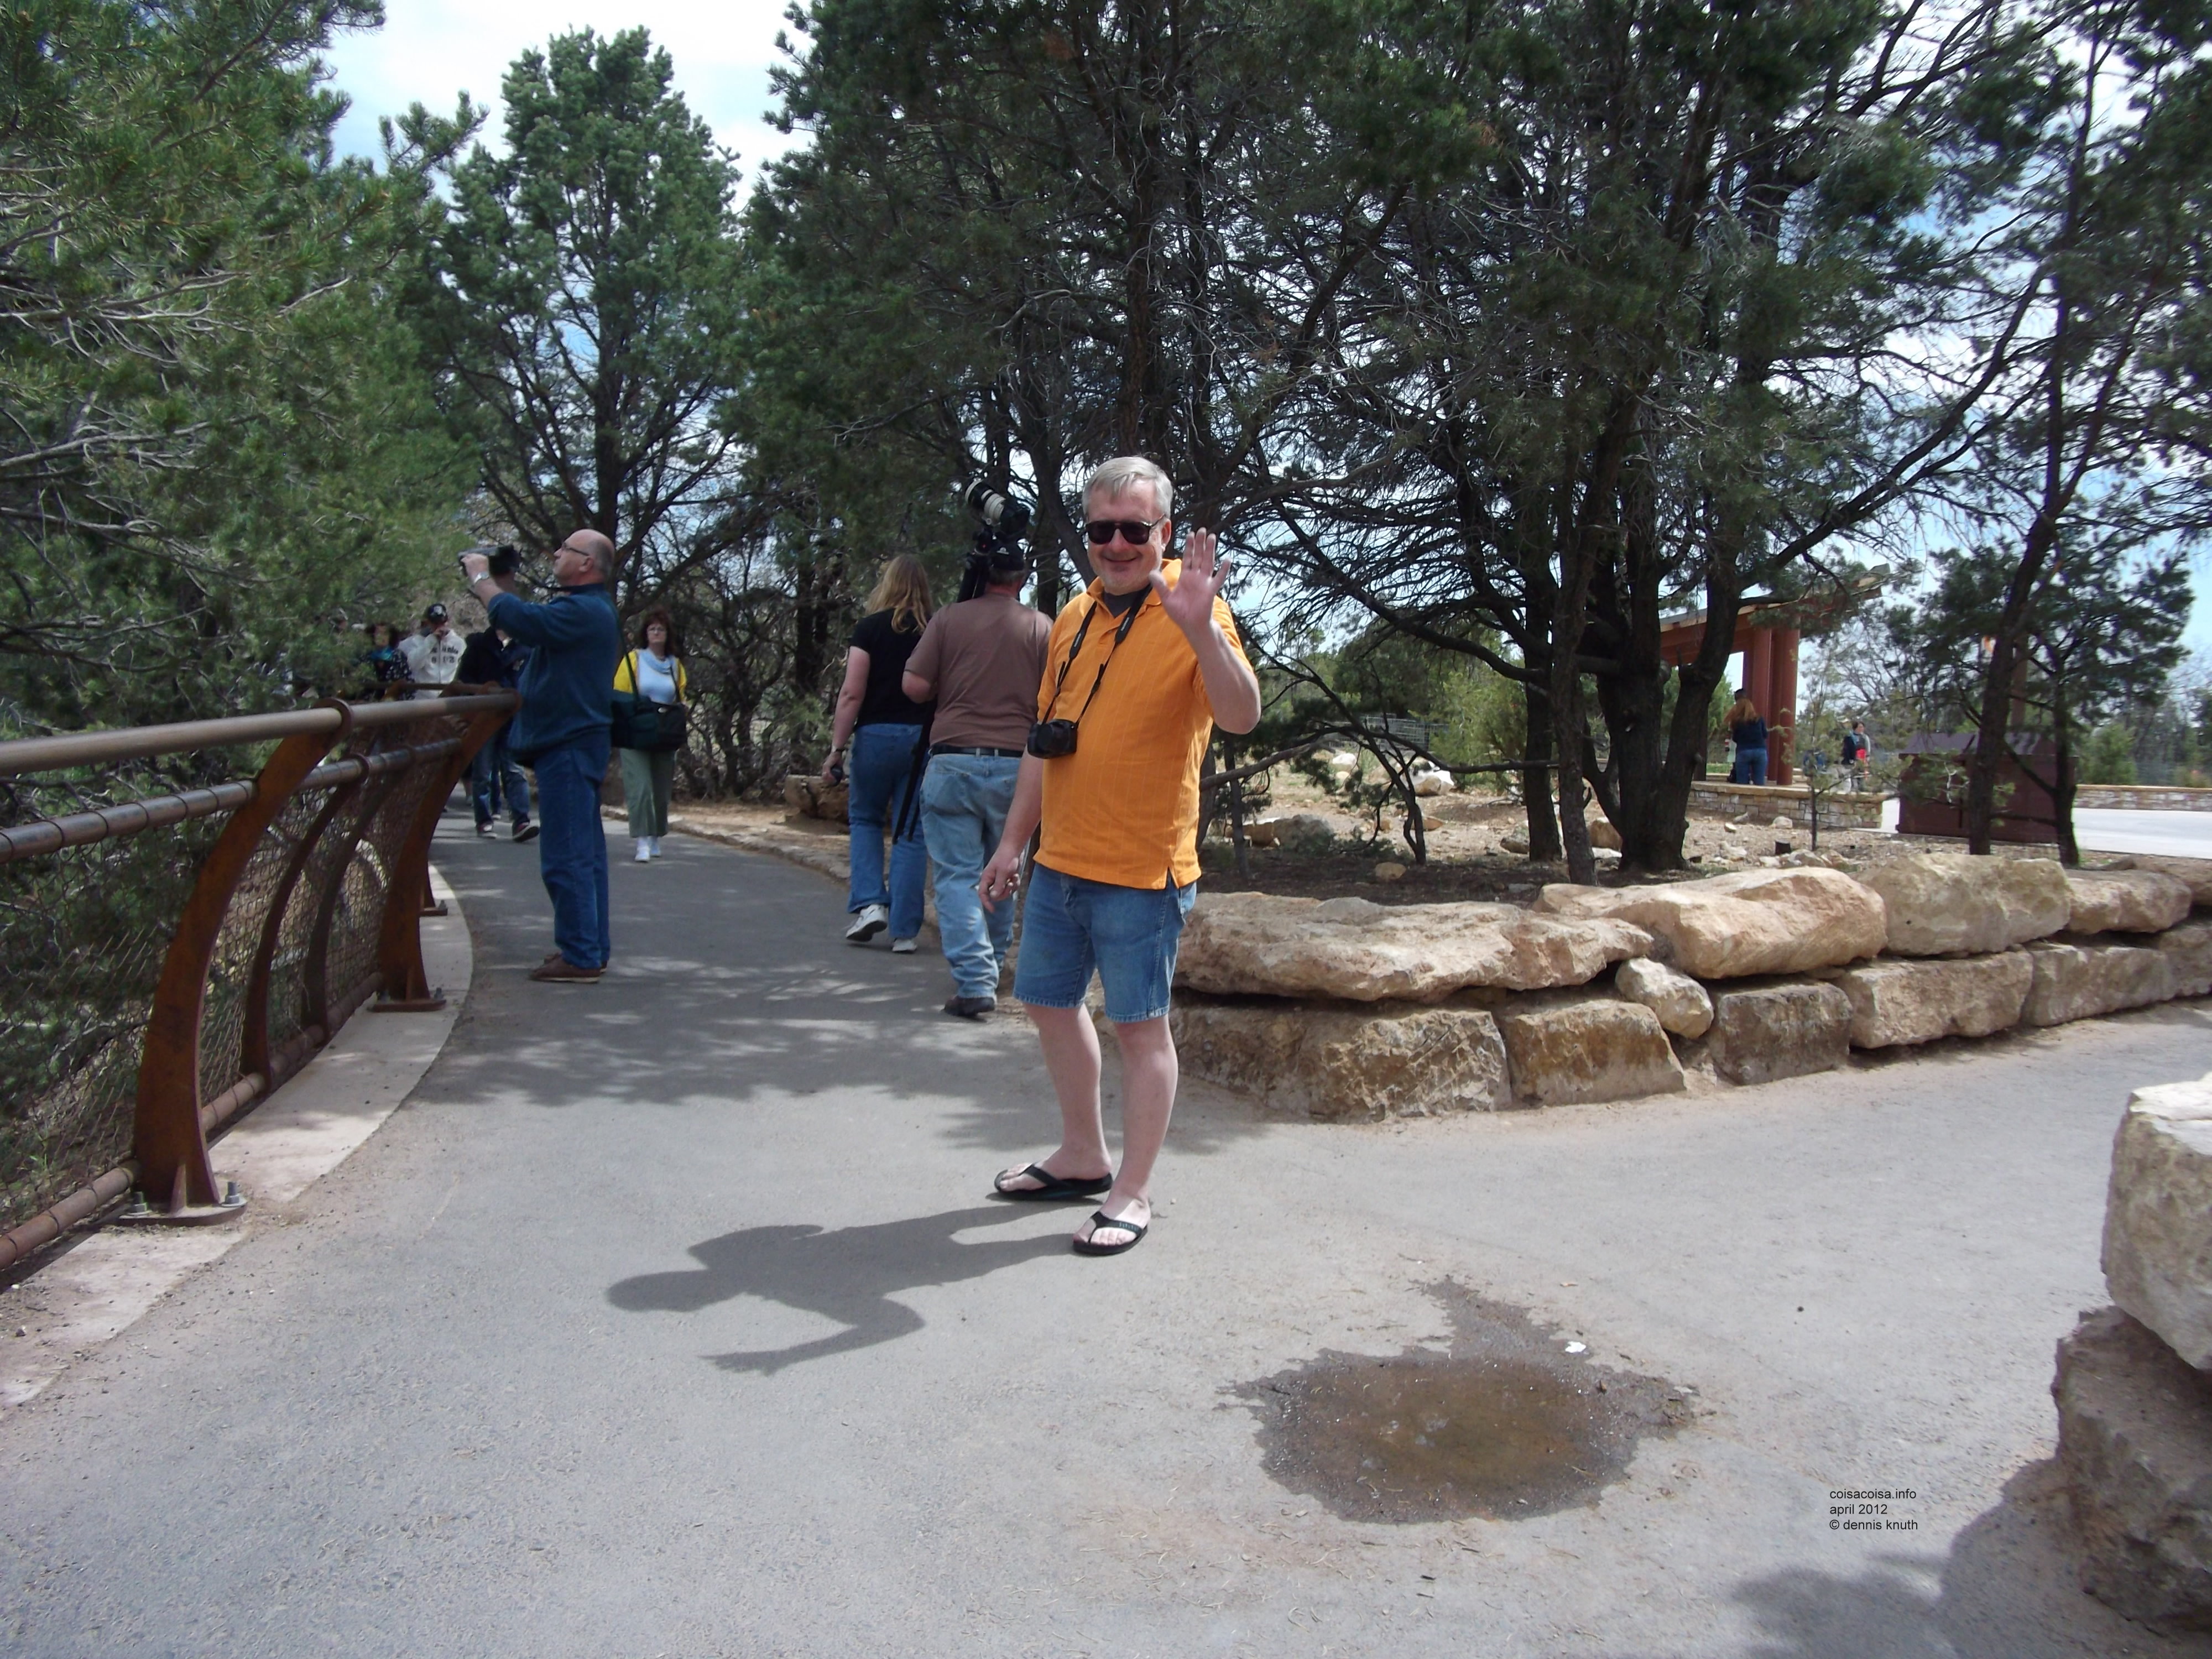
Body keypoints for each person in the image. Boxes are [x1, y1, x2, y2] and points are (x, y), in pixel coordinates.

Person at [977, 456, 1260, 1256]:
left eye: (1135, 530)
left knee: (1140, 1030)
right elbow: (1044, 739)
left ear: (1163, 533)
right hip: (1062, 860)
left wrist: (1202, 628)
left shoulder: (1194, 609)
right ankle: (1082, 1156)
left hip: (1142, 871)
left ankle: (1131, 1193)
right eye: (1102, 530)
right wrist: (1012, 842)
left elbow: (1241, 716)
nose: (1118, 544)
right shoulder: (1072, 615)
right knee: (1046, 1003)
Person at [461, 530, 622, 983]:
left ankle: (581, 955)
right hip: (574, 742)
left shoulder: (586, 610)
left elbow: (522, 621)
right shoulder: (584, 609)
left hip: (568, 744)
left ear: (587, 563)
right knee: (583, 853)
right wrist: (502, 587)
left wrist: (480, 578)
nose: (555, 554)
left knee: (566, 855)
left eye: (566, 549)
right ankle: (589, 947)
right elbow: (526, 619)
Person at [901, 541, 1053, 1019]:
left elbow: (915, 685)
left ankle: (974, 980)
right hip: (1018, 767)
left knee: (957, 875)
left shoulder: (948, 619)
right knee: (1003, 869)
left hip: (953, 761)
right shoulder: (1040, 627)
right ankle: (991, 966)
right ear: (1021, 578)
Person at [823, 555, 933, 951]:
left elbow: (852, 691)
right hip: (923, 740)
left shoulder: (869, 629)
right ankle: (905, 931)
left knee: (866, 819)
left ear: (886, 584)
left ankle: (871, 905)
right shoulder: (936, 631)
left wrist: (836, 749)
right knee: (910, 831)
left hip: (875, 736)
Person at [613, 608, 688, 864]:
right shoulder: (634, 659)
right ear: (645, 634)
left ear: (668, 634)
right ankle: (642, 840)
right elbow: (619, 693)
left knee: (660, 790)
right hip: (636, 731)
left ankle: (656, 834)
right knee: (640, 787)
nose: (657, 633)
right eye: (652, 629)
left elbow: (680, 696)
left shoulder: (675, 665)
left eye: (661, 629)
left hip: (664, 732)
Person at [457, 615, 535, 842]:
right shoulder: (480, 645)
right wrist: (481, 693)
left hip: (513, 716)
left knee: (514, 770)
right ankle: (484, 820)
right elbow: (465, 677)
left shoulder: (525, 647)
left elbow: (530, 679)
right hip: (485, 714)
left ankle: (521, 821)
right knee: (483, 770)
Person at [400, 603, 465, 694]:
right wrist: (430, 642)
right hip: (423, 697)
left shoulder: (459, 643)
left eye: (442, 623)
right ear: (428, 623)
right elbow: (413, 665)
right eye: (435, 623)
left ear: (448, 621)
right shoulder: (418, 641)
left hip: (448, 697)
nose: (439, 626)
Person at [1727, 691, 1768, 786]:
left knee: (1742, 785)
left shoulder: (1737, 721)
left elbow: (1735, 738)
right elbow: (1765, 735)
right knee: (1759, 784)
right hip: (1760, 751)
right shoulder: (1759, 719)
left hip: (1744, 751)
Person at [365, 623, 414, 696]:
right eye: (379, 633)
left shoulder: (399, 656)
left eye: (385, 634)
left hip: (393, 705)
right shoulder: (365, 656)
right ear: (372, 636)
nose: (382, 637)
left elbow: (409, 684)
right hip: (367, 704)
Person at [1842, 718, 1871, 792]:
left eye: (1862, 727)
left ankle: (1862, 788)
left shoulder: (1865, 737)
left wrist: (1867, 758)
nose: (1862, 729)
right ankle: (1853, 789)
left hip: (1862, 758)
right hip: (1853, 758)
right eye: (1860, 727)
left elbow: (1868, 749)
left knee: (1861, 775)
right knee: (1853, 775)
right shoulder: (1850, 737)